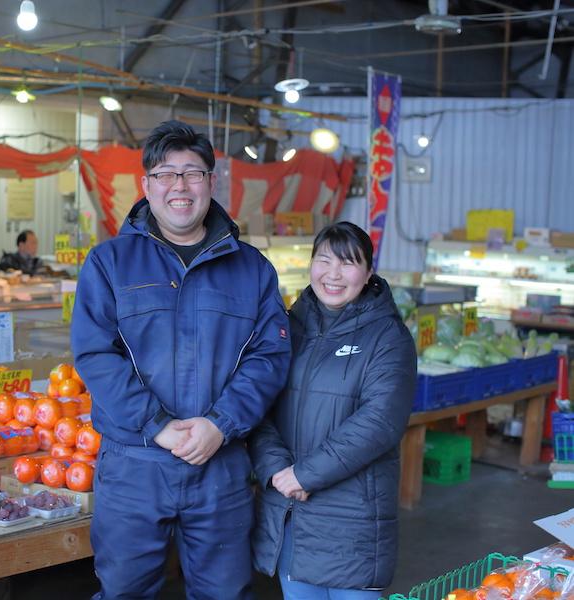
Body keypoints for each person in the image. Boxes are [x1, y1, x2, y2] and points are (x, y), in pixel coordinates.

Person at [71, 120, 292, 600]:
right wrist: (156, 425)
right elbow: (95, 353)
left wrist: (220, 424)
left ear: (211, 182)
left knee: (225, 594)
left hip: (220, 463)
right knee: (124, 592)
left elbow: (270, 357)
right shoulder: (109, 263)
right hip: (134, 464)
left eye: (192, 173)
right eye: (166, 174)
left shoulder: (252, 269)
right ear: (146, 184)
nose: (180, 186)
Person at [248, 222, 417, 599]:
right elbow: (259, 403)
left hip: (352, 521)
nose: (333, 274)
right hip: (290, 513)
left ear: (369, 273)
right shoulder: (287, 327)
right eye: (324, 260)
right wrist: (276, 469)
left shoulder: (388, 338)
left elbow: (380, 422)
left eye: (348, 262)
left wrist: (305, 475)